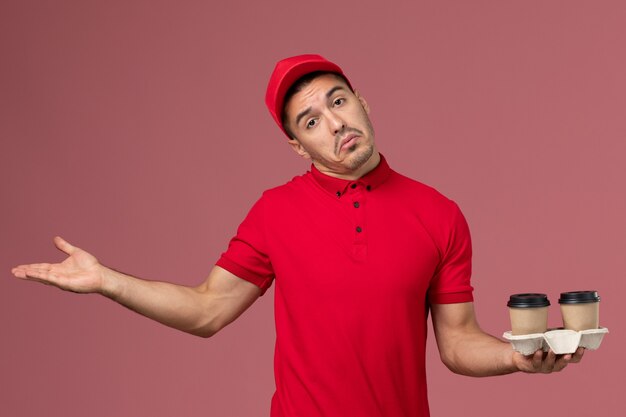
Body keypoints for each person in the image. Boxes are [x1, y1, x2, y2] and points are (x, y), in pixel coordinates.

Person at [12, 54, 584, 417]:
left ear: (363, 103)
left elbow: (457, 343)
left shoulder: (439, 213)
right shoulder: (274, 212)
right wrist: (107, 280)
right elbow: (207, 311)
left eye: (338, 100)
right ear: (297, 144)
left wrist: (518, 357)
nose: (334, 123)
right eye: (311, 120)